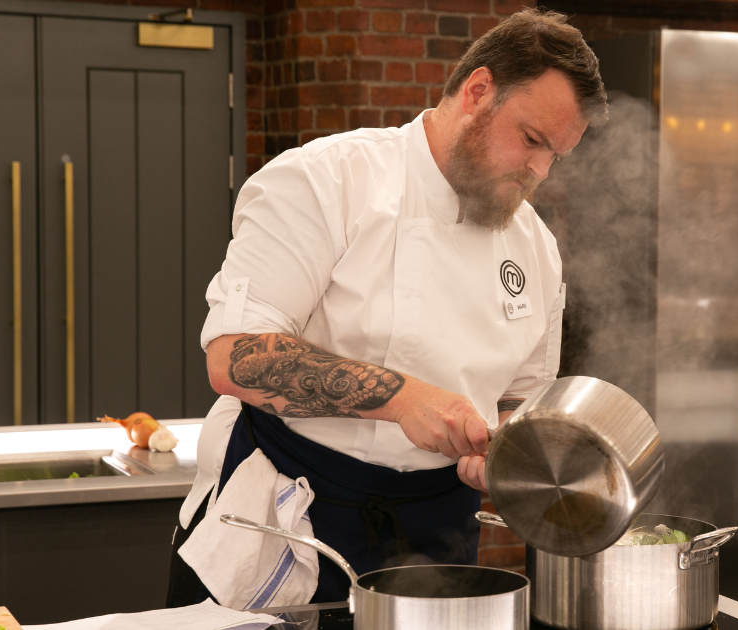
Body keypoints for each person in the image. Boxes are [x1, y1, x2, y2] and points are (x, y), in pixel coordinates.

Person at [166, 7, 608, 606]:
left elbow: (520, 399)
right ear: (478, 92)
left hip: (437, 534)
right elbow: (236, 357)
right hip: (289, 518)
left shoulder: (534, 247)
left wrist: (504, 449)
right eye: (532, 140)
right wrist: (406, 399)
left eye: (557, 155)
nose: (539, 171)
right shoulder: (326, 181)